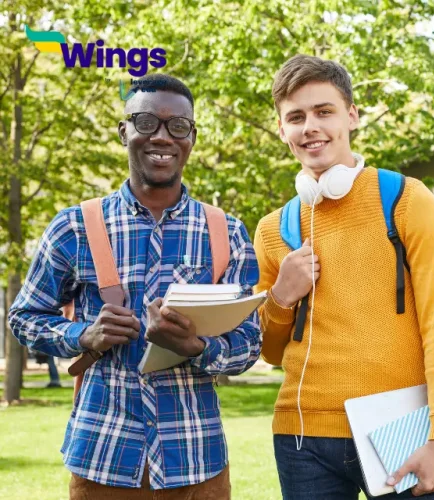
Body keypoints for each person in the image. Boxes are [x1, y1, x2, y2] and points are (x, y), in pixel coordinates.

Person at [9, 74, 261, 499]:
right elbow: (24, 316)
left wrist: (196, 347)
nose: (162, 137)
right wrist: (81, 334)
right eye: (146, 122)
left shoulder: (227, 232)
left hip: (196, 464)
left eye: (177, 126)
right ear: (124, 130)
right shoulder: (74, 226)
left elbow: (249, 344)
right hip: (102, 462)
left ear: (192, 138)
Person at [254, 55, 434, 499]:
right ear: (281, 130)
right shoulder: (274, 229)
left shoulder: (405, 199)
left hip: (402, 427)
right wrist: (280, 297)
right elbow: (272, 352)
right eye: (296, 117)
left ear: (351, 115)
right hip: (302, 438)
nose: (310, 126)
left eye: (323, 111)